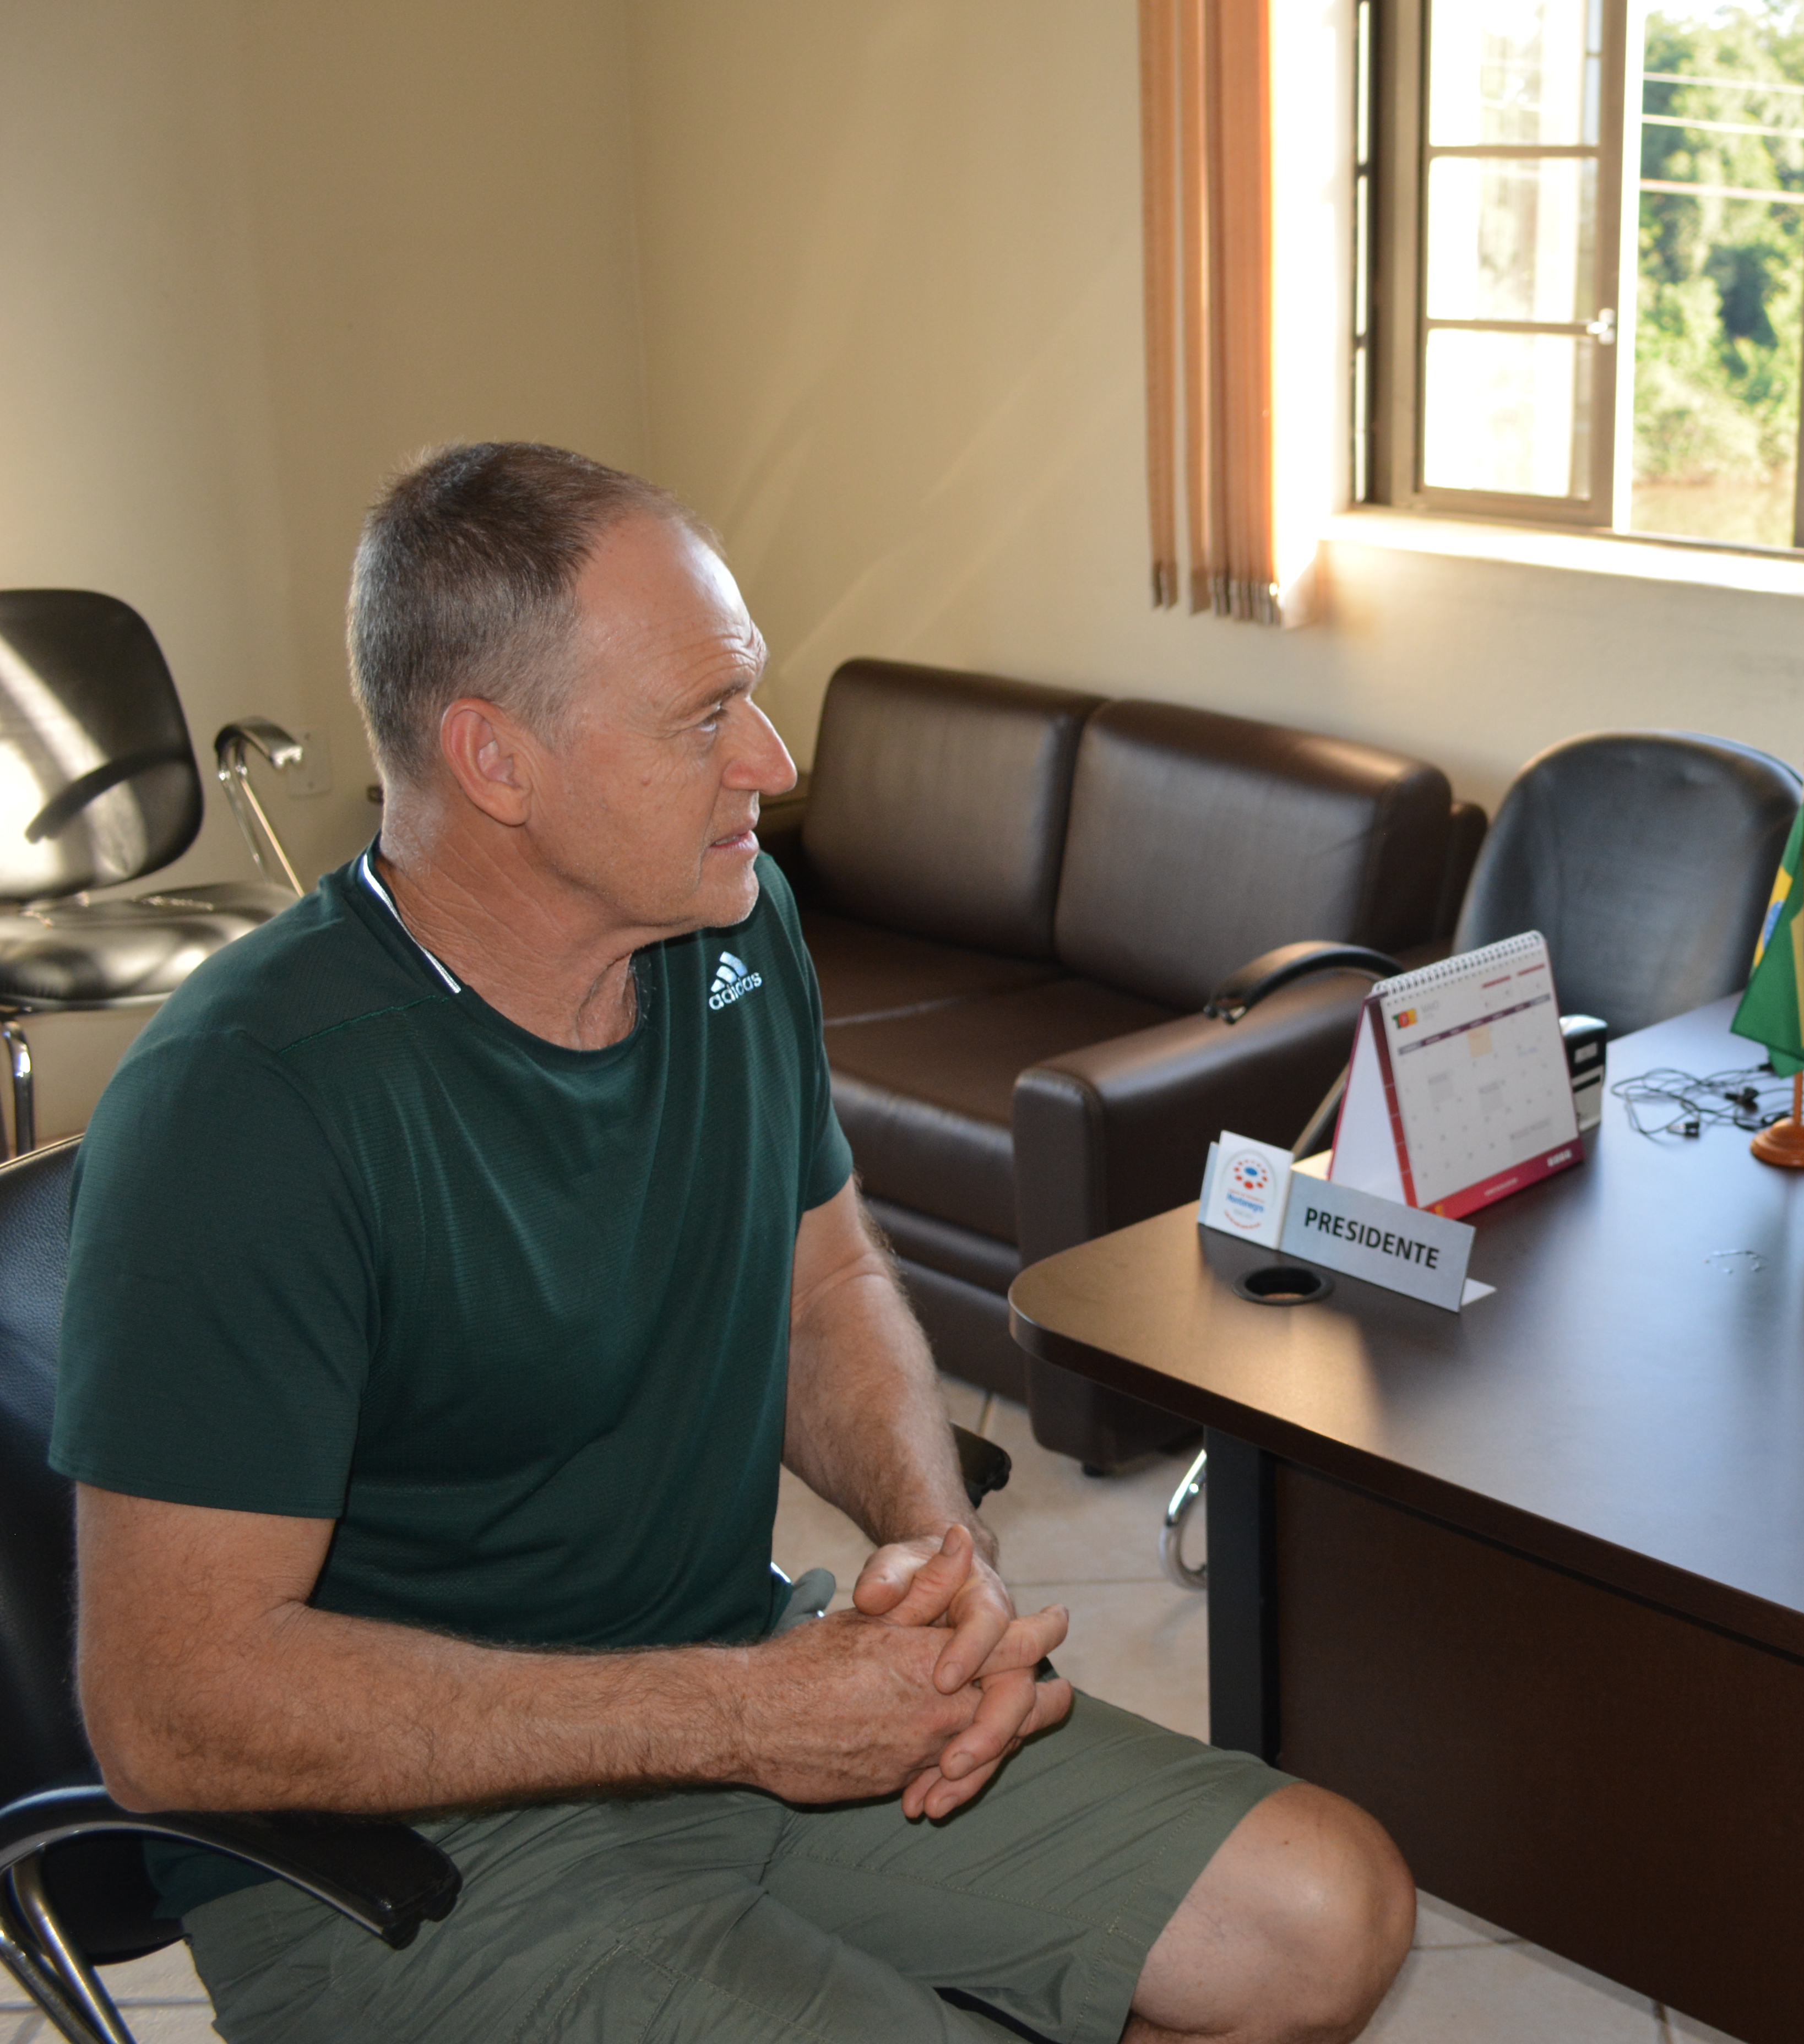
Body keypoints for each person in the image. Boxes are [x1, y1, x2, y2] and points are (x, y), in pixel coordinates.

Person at [51, 443, 1414, 2042]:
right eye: (705, 719)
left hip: (729, 1691)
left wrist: (930, 1549)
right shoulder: (251, 1104)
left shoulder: (734, 932)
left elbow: (822, 1284)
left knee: (1327, 1908)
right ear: (497, 761)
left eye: (751, 695)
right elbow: (168, 1708)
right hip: (396, 1857)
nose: (769, 761)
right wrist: (735, 1713)